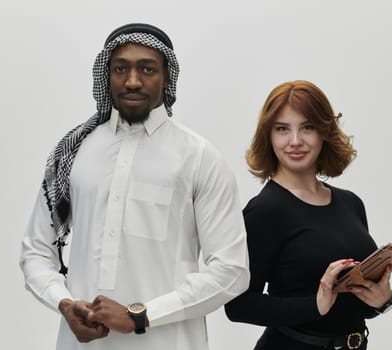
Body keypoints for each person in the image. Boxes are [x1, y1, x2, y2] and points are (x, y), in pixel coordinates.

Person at [20, 23, 250, 350]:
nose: (132, 80)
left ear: (167, 76)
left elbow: (232, 270)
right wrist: (65, 304)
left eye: (147, 69)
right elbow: (36, 251)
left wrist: (141, 316)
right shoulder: (75, 151)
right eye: (120, 68)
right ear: (106, 75)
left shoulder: (199, 158)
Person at [224, 80, 392, 350]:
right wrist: (314, 305)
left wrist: (382, 301)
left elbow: (355, 307)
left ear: (324, 132)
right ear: (268, 136)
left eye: (308, 127)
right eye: (282, 129)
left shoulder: (350, 203)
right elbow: (238, 306)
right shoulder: (265, 211)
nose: (295, 141)